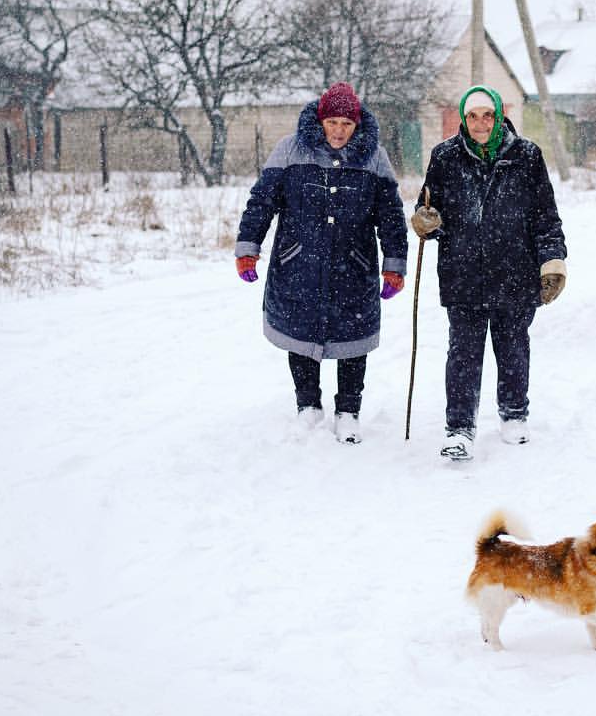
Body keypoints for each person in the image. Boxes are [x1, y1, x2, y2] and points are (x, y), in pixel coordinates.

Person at [235, 82, 408, 444]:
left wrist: (394, 263)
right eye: (333, 122)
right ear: (320, 120)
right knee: (300, 332)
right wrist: (248, 247)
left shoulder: (374, 156)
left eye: (347, 124)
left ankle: (348, 411)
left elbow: (391, 214)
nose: (339, 131)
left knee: (353, 337)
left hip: (354, 264)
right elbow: (262, 201)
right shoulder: (290, 150)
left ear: (357, 124)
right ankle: (308, 406)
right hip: (299, 263)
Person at [410, 84, 567, 461]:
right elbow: (429, 209)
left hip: (516, 270)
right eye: (473, 116)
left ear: (498, 116)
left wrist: (553, 260)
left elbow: (545, 216)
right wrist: (426, 222)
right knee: (463, 353)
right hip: (463, 273)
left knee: (513, 347)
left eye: (488, 115)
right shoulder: (445, 156)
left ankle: (514, 414)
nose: (481, 123)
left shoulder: (526, 155)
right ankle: (459, 428)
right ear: (464, 118)